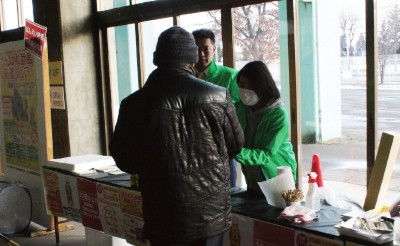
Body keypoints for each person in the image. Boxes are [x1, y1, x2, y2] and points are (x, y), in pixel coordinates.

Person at [109, 26, 244, 246]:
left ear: (157, 60)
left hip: (163, 214)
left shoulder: (134, 104)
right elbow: (236, 145)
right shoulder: (218, 96)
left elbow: (125, 160)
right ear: (192, 60)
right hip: (211, 214)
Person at [234, 61, 297, 196]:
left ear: (261, 87)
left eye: (248, 87)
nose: (243, 91)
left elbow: (266, 154)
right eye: (241, 86)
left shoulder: (278, 115)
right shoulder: (240, 109)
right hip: (253, 177)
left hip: (277, 177)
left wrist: (235, 151)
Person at [192, 28, 240, 188]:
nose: (201, 54)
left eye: (205, 48)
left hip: (222, 147)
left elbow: (238, 113)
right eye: (196, 49)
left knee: (228, 194)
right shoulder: (185, 77)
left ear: (214, 49)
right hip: (193, 148)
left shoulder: (230, 76)